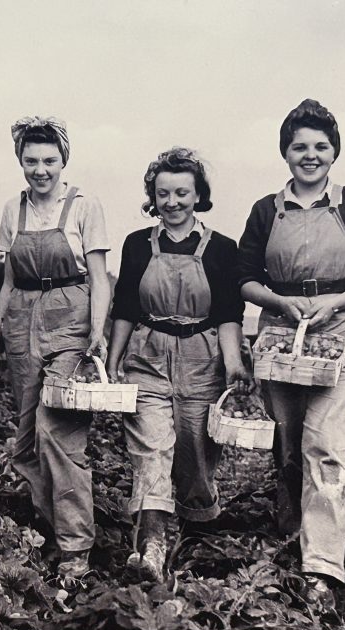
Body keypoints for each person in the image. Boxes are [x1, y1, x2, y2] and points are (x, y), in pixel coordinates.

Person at [237, 99, 345, 613]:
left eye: (321, 146)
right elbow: (245, 278)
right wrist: (279, 301)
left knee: (329, 446)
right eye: (300, 146)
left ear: (335, 152)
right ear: (285, 152)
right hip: (280, 335)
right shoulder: (265, 210)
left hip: (341, 329)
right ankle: (291, 527)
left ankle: (321, 569)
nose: (310, 155)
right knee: (291, 445)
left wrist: (334, 301)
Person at [106, 147, 249, 582]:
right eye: (163, 193)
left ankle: (196, 530)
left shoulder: (222, 248)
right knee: (151, 448)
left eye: (182, 193)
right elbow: (126, 307)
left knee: (195, 455)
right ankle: (150, 544)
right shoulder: (136, 244)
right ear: (153, 195)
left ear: (198, 195)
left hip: (201, 357)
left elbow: (229, 312)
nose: (172, 202)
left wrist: (234, 364)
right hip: (147, 355)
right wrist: (113, 359)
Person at [0, 116, 110, 587]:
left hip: (70, 318)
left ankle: (76, 547)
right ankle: (52, 529)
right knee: (27, 441)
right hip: (21, 322)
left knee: (58, 433)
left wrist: (97, 332)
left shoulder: (82, 206)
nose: (40, 170)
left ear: (64, 161)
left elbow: (98, 276)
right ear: (20, 162)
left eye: (49, 160)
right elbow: (8, 282)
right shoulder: (11, 211)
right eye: (31, 161)